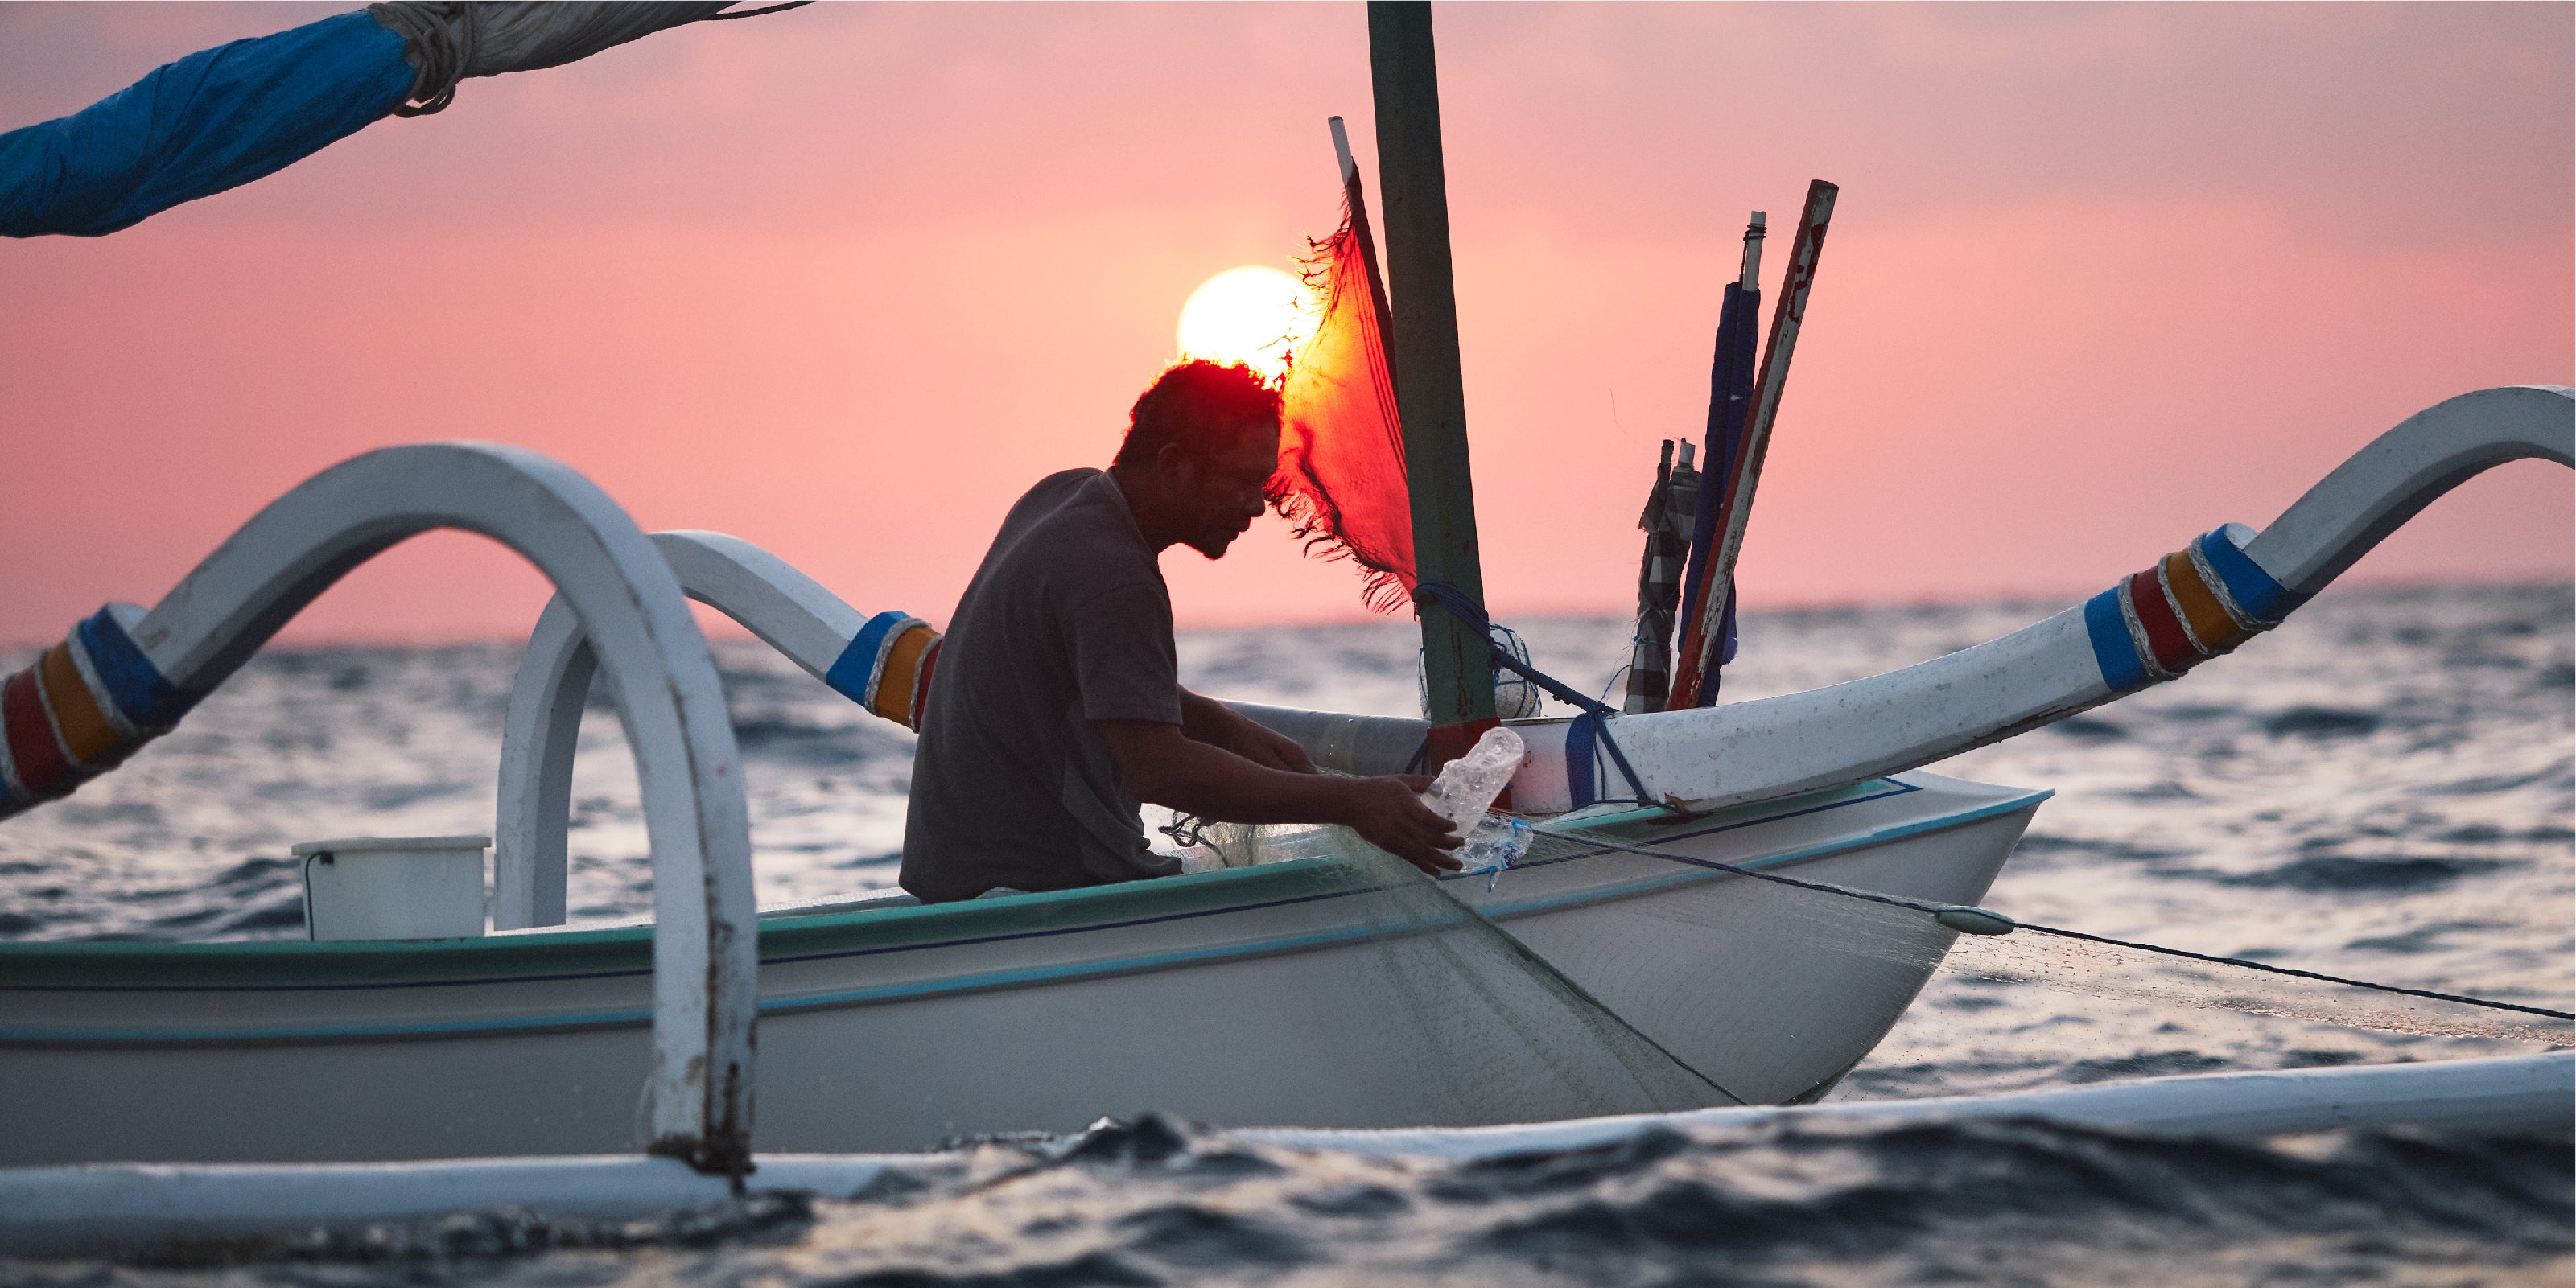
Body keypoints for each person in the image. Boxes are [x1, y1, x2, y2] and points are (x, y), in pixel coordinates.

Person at [900, 360, 1463, 903]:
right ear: (1172, 465)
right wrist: (1353, 802)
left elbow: (1071, 671)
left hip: (949, 878)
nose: (1256, 507)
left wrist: (1217, 722)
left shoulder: (1063, 496)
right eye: (1243, 482)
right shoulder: (1114, 573)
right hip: (1031, 892)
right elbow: (1160, 772)